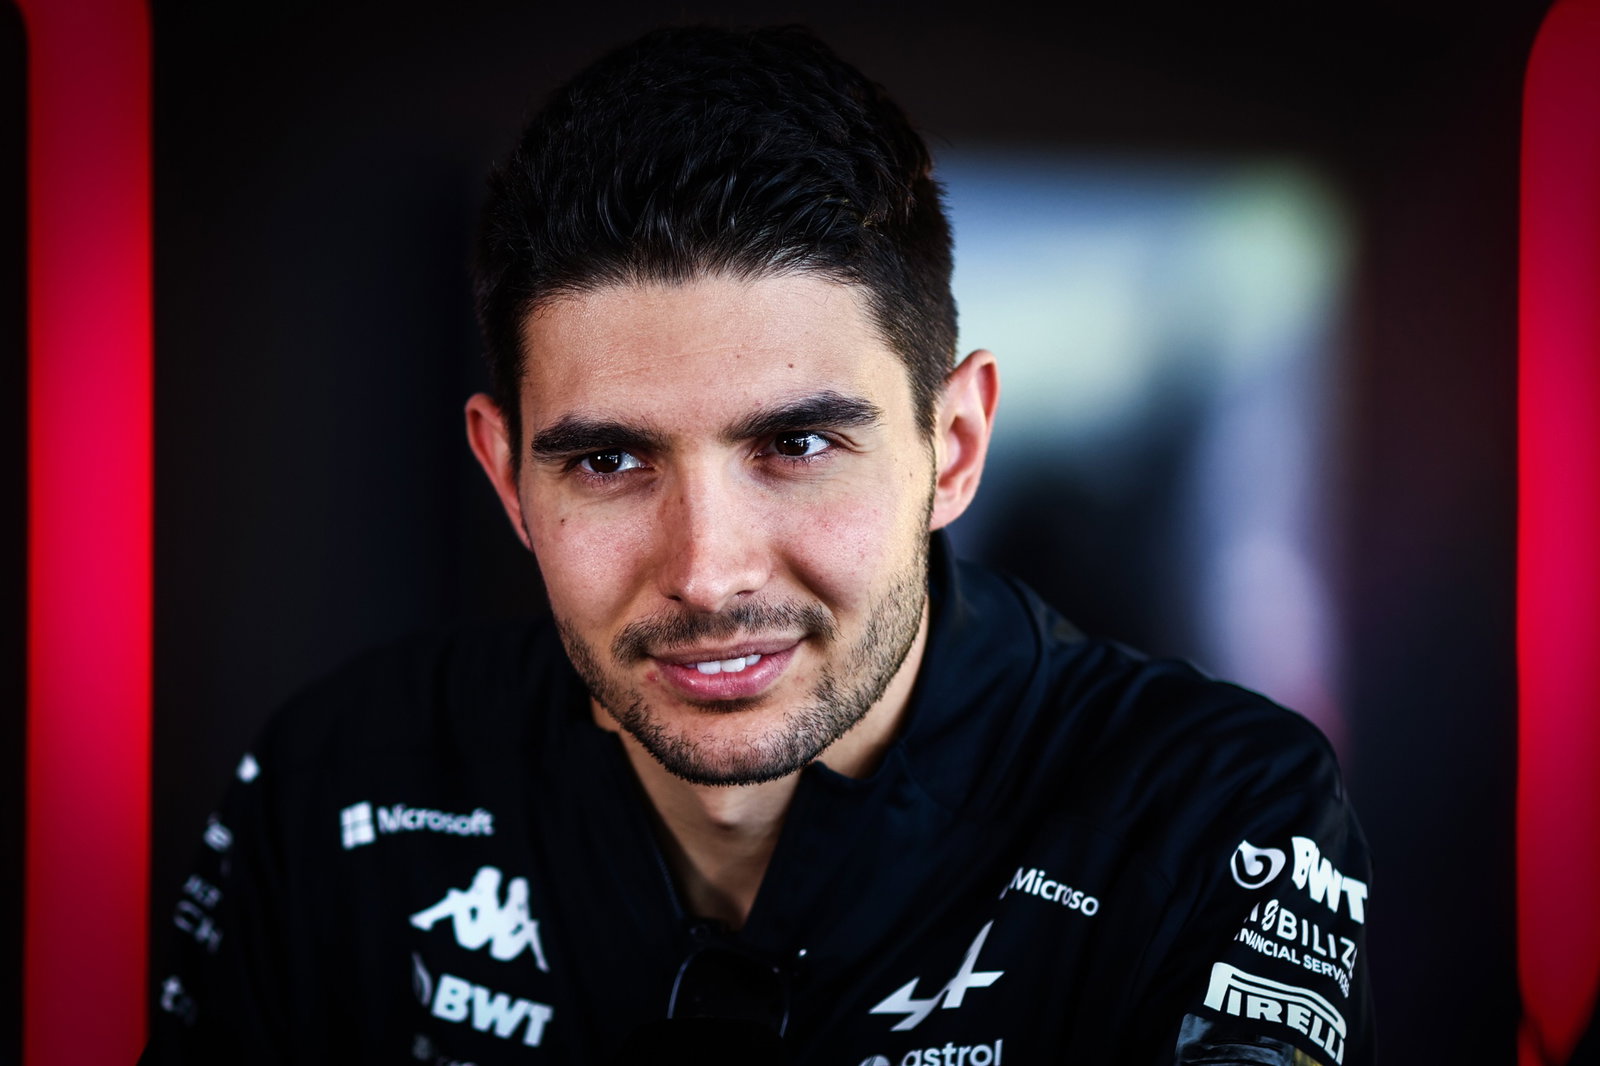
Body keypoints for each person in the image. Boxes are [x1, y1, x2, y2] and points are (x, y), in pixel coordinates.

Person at [144, 24, 1373, 1066]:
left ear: (950, 446)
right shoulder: (338, 788)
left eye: (795, 444)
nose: (708, 570)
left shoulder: (1210, 816)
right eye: (609, 460)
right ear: (506, 478)